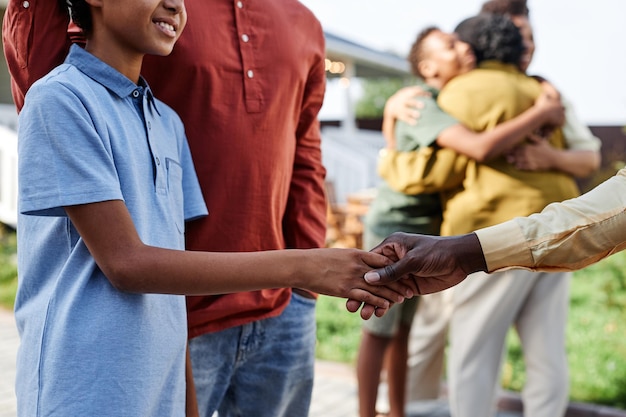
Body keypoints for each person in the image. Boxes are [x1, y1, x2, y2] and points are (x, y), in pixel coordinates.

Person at [13, 1, 415, 416]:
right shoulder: (59, 98)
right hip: (81, 388)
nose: (176, 5)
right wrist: (305, 266)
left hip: (159, 391)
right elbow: (126, 263)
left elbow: (172, 297)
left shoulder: (166, 121)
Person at [355, 26, 565, 417]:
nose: (463, 48)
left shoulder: (452, 98)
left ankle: (397, 411)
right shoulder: (424, 101)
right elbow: (477, 147)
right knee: (380, 327)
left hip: (425, 227)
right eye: (450, 46)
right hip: (395, 224)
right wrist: (541, 111)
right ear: (428, 66)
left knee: (403, 329)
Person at [363, 165, 626, 300]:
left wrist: (463, 251)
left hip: (498, 235)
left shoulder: (459, 98)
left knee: (472, 355)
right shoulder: (545, 96)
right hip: (522, 238)